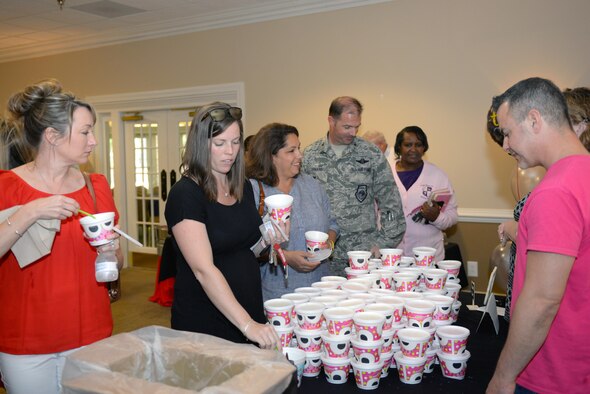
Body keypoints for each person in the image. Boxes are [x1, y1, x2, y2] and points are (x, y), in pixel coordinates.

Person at [0, 79, 122, 394]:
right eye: (85, 132)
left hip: (91, 333)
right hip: (25, 341)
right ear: (52, 136)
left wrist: (111, 251)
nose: (93, 140)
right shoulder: (7, 187)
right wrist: (30, 212)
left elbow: (116, 260)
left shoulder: (96, 187)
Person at [486, 77, 590, 393]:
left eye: (506, 133)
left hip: (551, 372)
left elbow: (543, 300)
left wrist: (503, 377)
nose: (505, 146)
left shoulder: (555, 191)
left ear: (534, 120)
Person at [164, 102, 281, 349]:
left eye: (236, 142)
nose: (230, 151)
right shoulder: (186, 195)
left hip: (246, 309)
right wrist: (247, 324)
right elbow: (203, 270)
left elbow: (252, 251)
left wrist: (271, 237)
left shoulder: (244, 187)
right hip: (207, 320)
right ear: (200, 144)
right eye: (220, 143)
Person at [302, 96, 405, 276]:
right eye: (347, 127)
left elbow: (391, 203)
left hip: (362, 256)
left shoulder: (371, 153)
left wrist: (383, 243)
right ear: (331, 121)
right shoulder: (310, 156)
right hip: (322, 257)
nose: (353, 133)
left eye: (357, 127)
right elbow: (301, 204)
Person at [246, 123, 339, 300]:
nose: (300, 155)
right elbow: (248, 245)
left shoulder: (312, 185)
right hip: (278, 294)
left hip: (321, 289)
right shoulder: (253, 191)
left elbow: (333, 224)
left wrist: (330, 244)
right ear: (271, 156)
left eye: (299, 148)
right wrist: (286, 257)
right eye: (291, 151)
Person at [391, 126, 458, 263]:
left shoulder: (437, 176)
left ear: (424, 148)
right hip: (391, 256)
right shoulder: (385, 173)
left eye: (419, 145)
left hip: (427, 257)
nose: (413, 149)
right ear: (399, 148)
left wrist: (437, 217)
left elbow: (452, 216)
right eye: (408, 145)